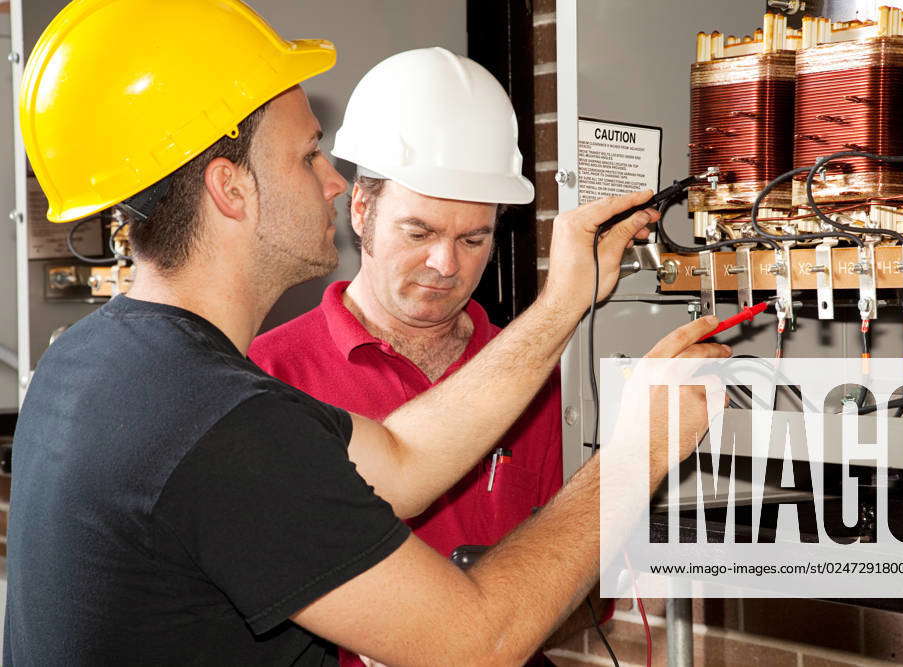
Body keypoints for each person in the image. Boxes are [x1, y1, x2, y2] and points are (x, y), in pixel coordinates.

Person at [5, 1, 728, 665]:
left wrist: (561, 305)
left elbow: (403, 455)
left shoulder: (97, 362)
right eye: (308, 153)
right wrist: (642, 446)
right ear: (231, 187)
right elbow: (478, 638)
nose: (330, 180)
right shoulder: (216, 425)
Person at [249, 48, 589, 665]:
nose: (446, 265)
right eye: (420, 232)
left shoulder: (539, 379)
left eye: (473, 238)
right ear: (360, 210)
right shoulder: (267, 376)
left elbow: (578, 582)